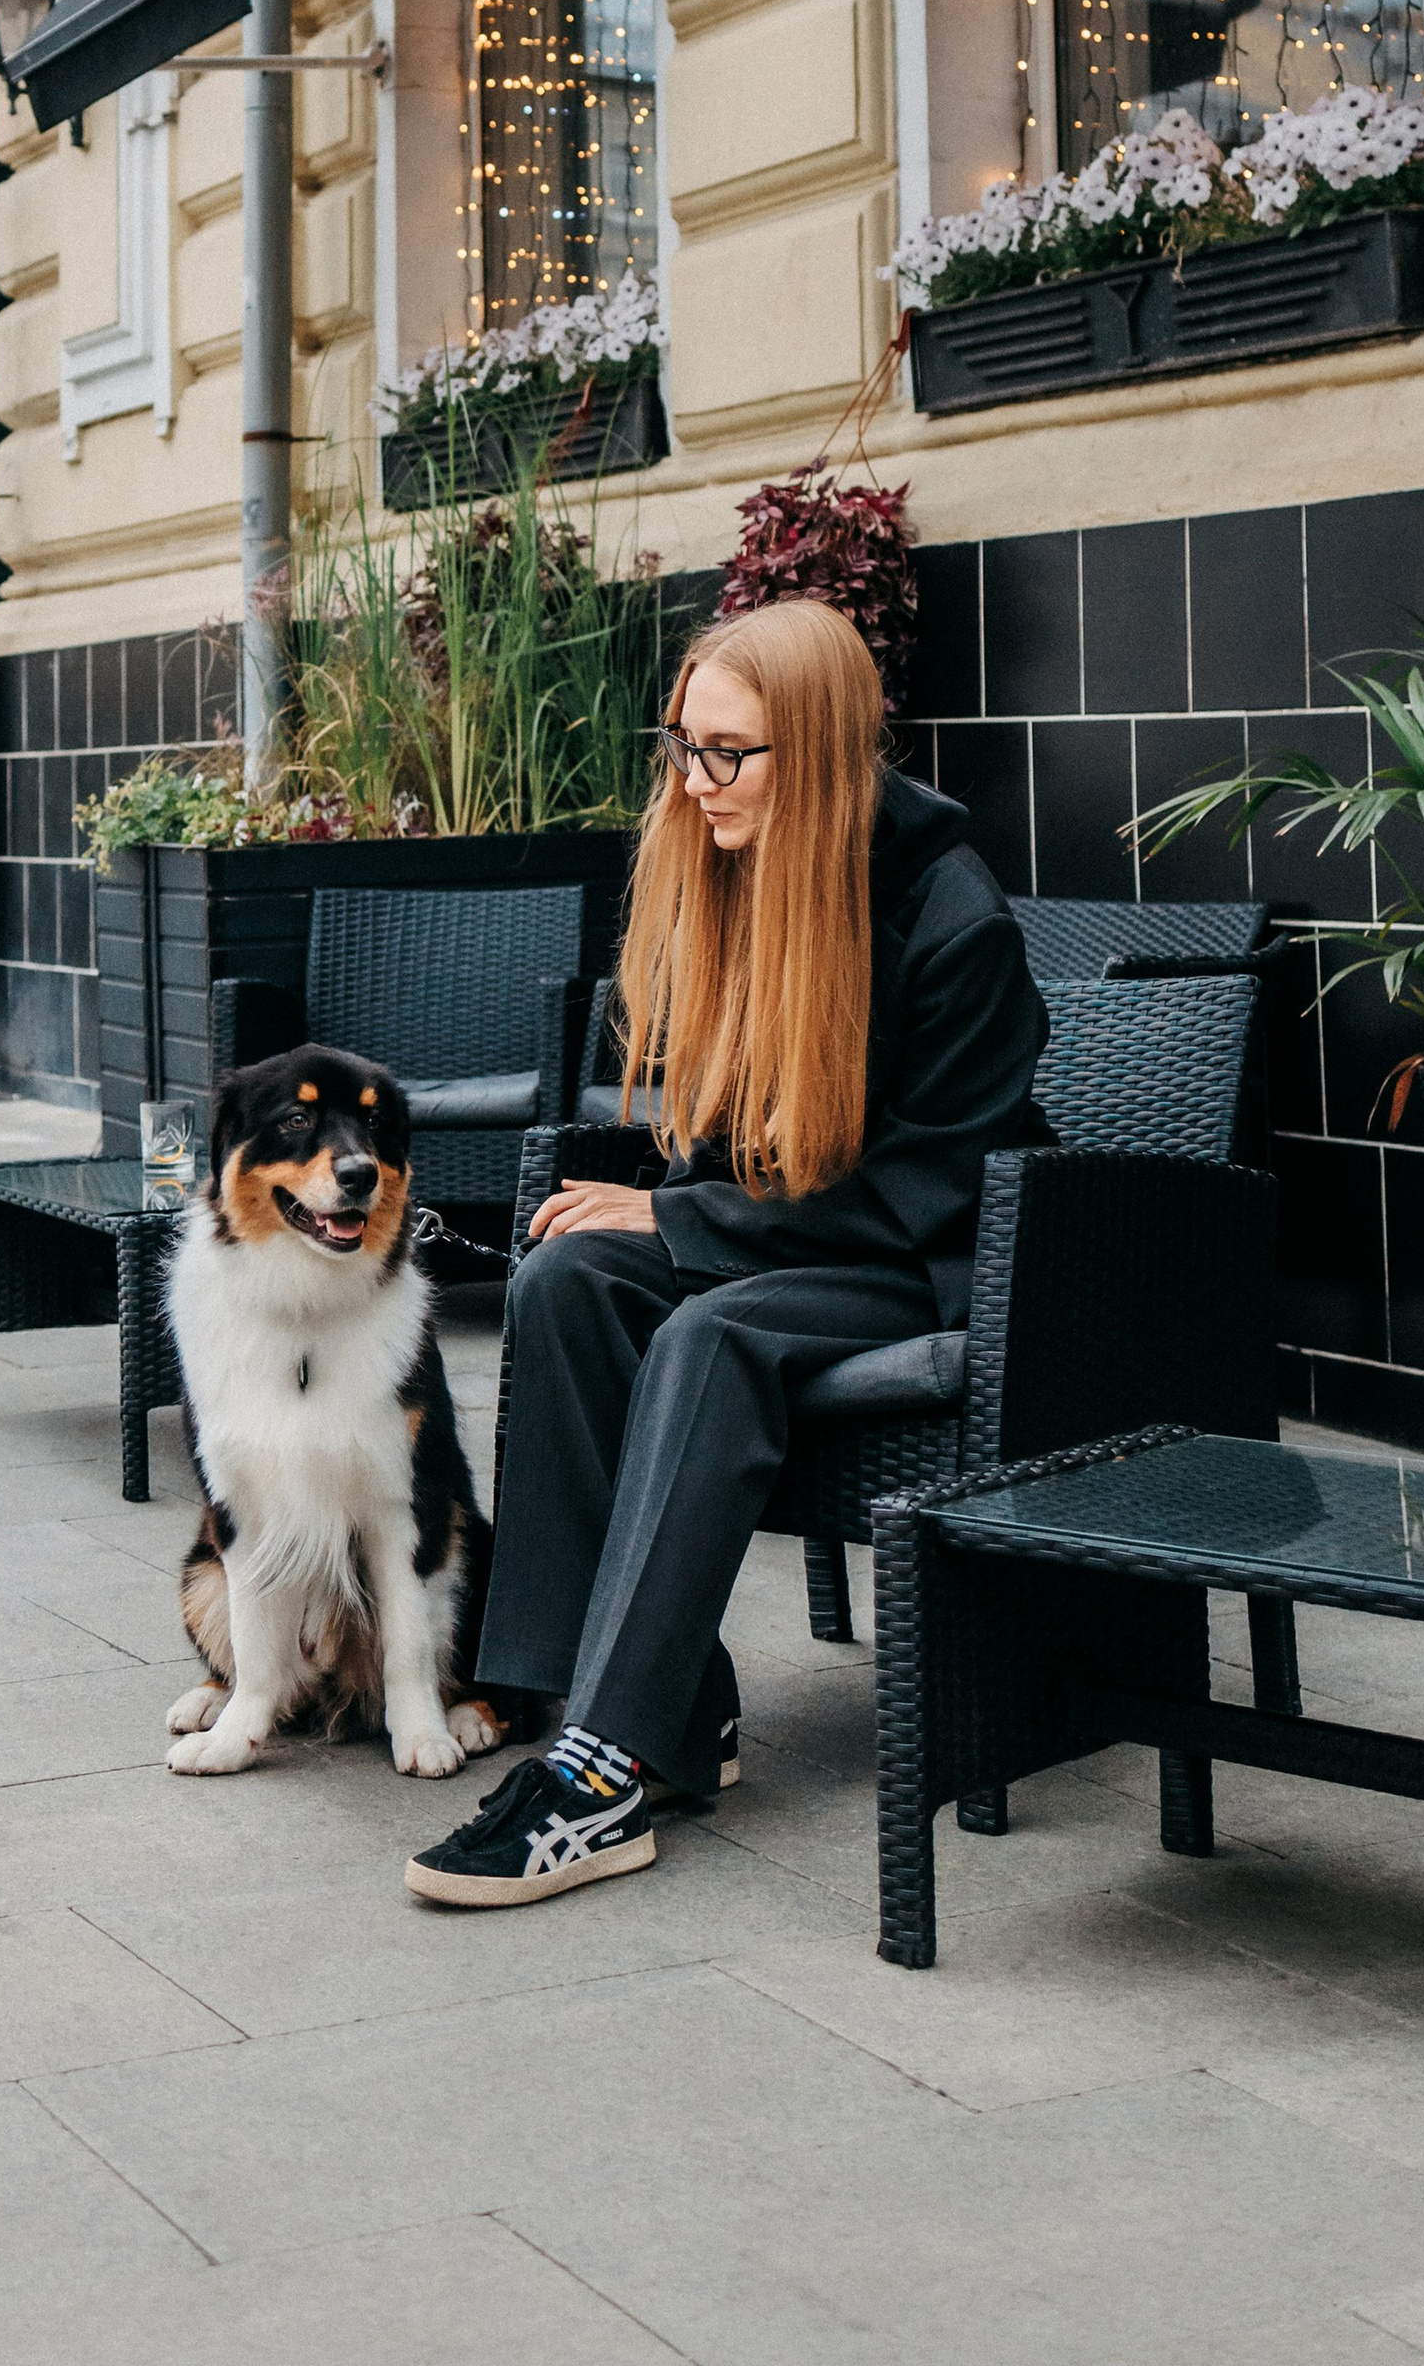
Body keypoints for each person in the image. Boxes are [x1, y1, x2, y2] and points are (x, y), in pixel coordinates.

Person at [404, 592, 1049, 1909]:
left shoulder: (950, 914)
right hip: (791, 1230)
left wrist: (687, 1224)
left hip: (925, 1257)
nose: (694, 783)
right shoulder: (740, 868)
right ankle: (639, 1709)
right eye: (682, 746)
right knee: (568, 1280)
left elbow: (929, 1189)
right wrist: (670, 1210)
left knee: (709, 1329)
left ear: (809, 753)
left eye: (728, 754)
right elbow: (722, 1140)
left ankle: (606, 1770)